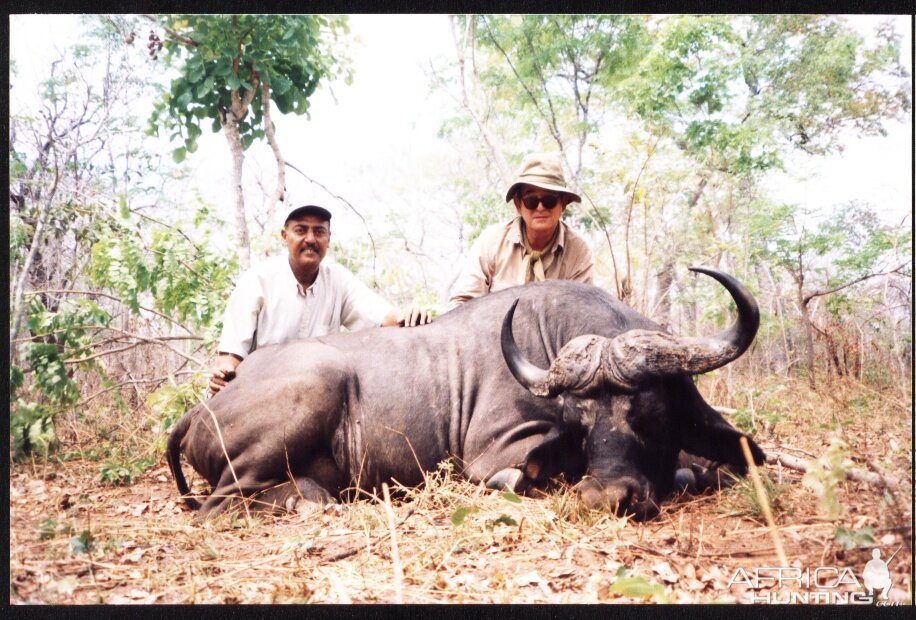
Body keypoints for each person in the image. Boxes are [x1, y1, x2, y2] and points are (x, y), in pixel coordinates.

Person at [209, 204, 430, 394]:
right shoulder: (257, 280)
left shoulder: (338, 279)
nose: (310, 239)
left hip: (316, 394)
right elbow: (231, 354)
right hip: (261, 389)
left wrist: (409, 316)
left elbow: (380, 316)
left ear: (329, 239)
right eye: (301, 230)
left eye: (319, 231)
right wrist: (223, 372)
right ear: (284, 236)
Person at [445, 151, 594, 311]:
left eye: (549, 200)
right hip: (491, 327)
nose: (540, 207)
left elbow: (582, 313)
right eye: (531, 200)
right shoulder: (491, 242)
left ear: (563, 204)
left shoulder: (578, 251)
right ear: (518, 204)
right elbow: (462, 304)